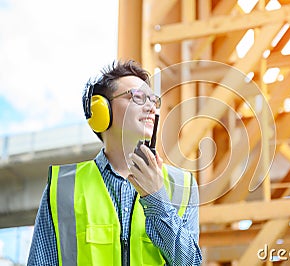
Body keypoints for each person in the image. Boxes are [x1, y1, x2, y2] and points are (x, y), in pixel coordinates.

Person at [28, 60, 203, 265]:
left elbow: (191, 262)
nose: (151, 108)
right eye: (137, 97)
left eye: (153, 100)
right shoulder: (62, 189)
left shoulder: (182, 185)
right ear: (102, 111)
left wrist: (156, 199)